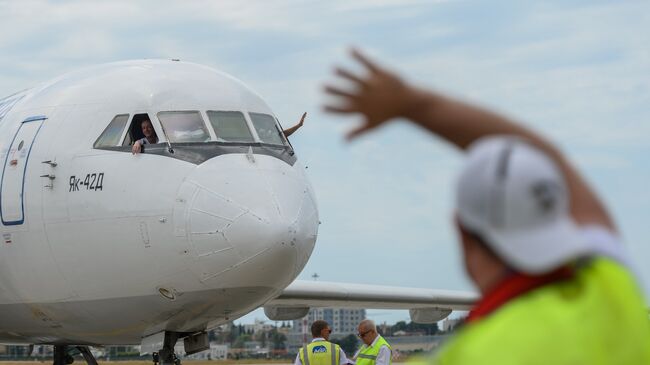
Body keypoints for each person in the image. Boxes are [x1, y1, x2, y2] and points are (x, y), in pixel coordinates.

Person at [324, 49, 650, 364]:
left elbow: (553, 161)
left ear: (462, 231)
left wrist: (409, 104)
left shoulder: (464, 357)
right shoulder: (612, 291)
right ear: (555, 212)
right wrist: (412, 103)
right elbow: (554, 161)